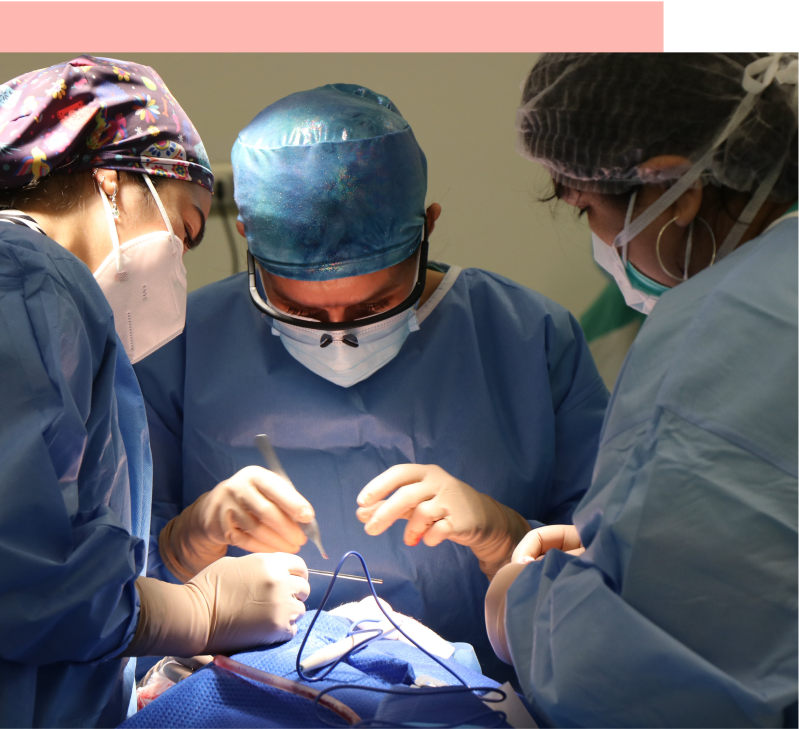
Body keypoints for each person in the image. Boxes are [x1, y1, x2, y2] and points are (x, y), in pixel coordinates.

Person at [133, 83, 609, 683]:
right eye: (302, 311)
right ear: (251, 248)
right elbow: (97, 597)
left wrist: (504, 535)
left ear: (428, 229)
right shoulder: (180, 344)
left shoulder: (529, 338)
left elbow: (615, 580)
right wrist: (182, 541)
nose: (339, 336)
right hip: (248, 704)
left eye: (375, 307)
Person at [0, 55, 309, 729]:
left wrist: (179, 549)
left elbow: (44, 529)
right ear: (114, 178)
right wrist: (195, 613)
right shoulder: (4, 274)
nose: (181, 263)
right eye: (186, 230)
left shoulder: (33, 295)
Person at [483, 52, 799, 728]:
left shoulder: (727, 321)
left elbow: (641, 680)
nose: (598, 238)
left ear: (676, 189)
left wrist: (522, 607)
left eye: (585, 208)